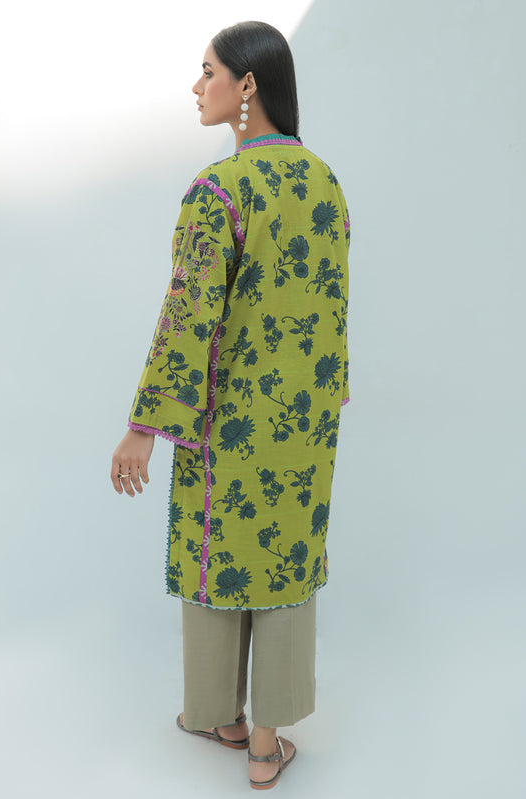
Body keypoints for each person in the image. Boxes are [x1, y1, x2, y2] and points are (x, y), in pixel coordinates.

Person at [111, 20, 350, 790]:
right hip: (306, 421)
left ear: (246, 84)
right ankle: (264, 743)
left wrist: (143, 427)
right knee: (284, 558)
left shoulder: (220, 189)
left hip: (228, 419)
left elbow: (188, 315)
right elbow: (331, 310)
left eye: (207, 70)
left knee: (218, 548)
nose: (197, 86)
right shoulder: (323, 182)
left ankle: (219, 714)